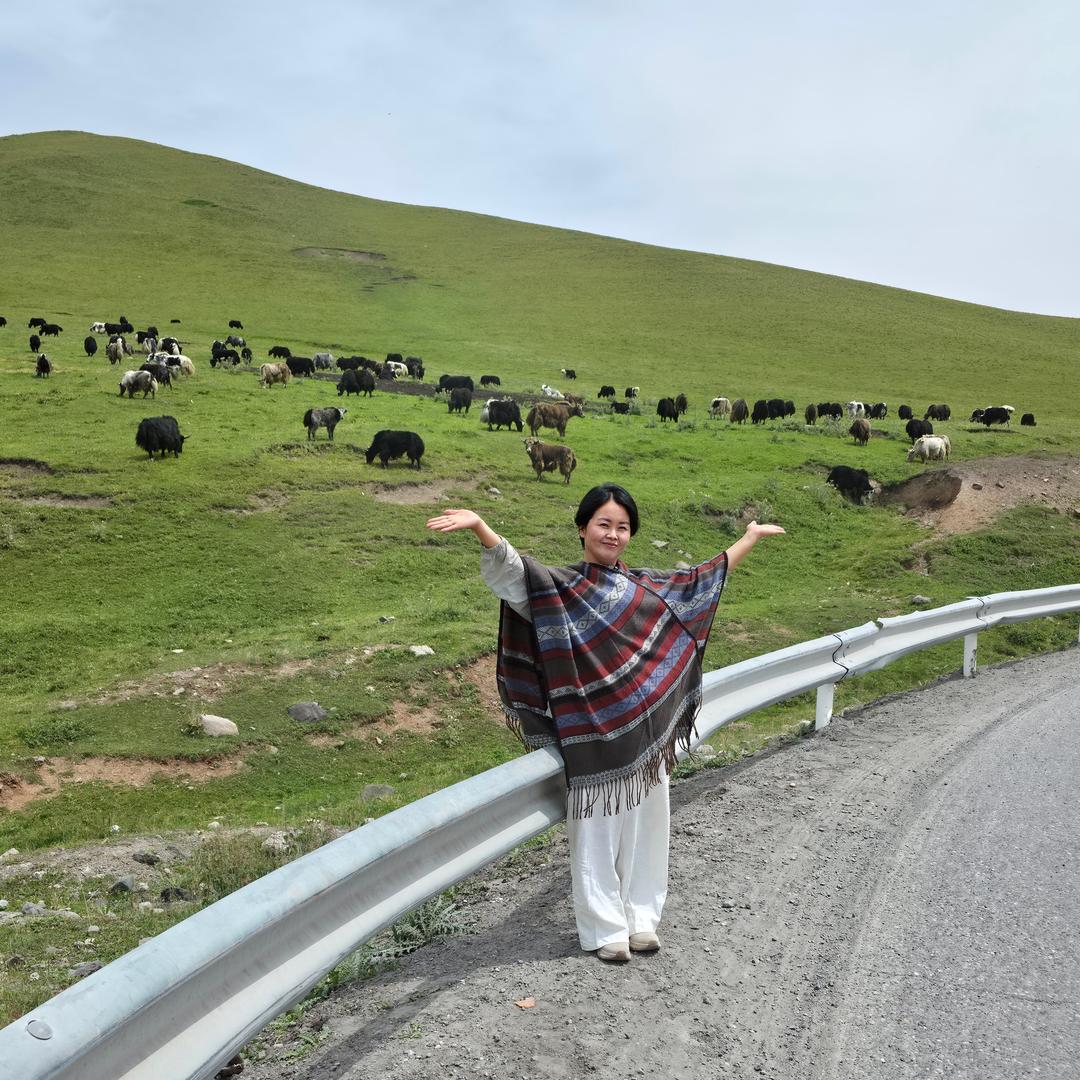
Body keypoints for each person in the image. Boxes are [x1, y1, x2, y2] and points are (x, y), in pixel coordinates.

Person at [426, 484, 785, 962]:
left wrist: (750, 538)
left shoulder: (644, 586)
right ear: (583, 529)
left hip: (648, 735)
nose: (612, 534)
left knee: (650, 828)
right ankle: (604, 929)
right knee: (596, 833)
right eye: (603, 524)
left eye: (622, 527)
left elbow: (700, 583)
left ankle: (642, 918)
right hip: (591, 733)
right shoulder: (561, 586)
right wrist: (481, 529)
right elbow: (516, 577)